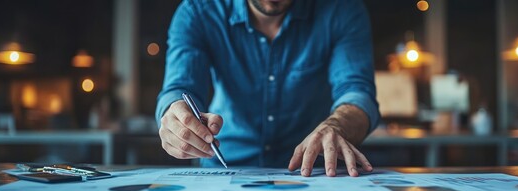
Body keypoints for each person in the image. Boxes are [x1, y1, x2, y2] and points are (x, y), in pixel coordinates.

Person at [156, 0, 380, 177]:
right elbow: (180, 87)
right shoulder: (197, 11)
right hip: (225, 166)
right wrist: (174, 114)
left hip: (315, 171)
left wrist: (337, 126)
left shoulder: (342, 9)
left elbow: (357, 91)